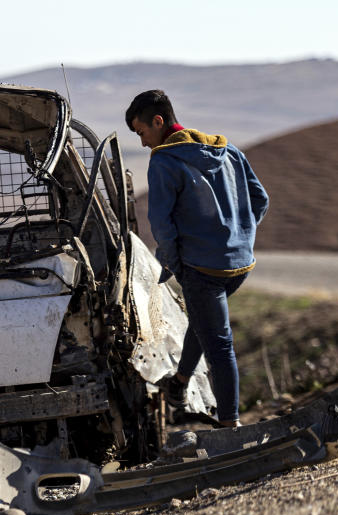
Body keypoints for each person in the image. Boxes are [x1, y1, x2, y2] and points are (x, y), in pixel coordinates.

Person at [125, 89, 269, 428]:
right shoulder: (227, 149)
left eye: (143, 133)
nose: (144, 143)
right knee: (205, 325)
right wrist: (239, 237)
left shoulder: (164, 160)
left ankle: (231, 426)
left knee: (220, 347)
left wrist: (174, 264)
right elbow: (259, 199)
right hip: (240, 265)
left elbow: (162, 224)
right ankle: (179, 384)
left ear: (158, 122)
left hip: (201, 269)